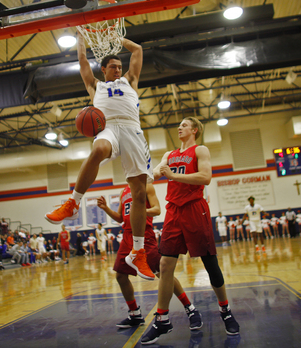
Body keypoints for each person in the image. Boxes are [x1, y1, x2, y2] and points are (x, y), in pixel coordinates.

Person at [45, 33, 154, 280]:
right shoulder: (96, 86)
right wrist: (81, 36)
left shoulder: (131, 80)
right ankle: (73, 203)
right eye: (112, 67)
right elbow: (82, 58)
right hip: (107, 127)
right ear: (103, 69)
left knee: (139, 193)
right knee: (98, 149)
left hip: (132, 129)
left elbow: (137, 49)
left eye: (119, 66)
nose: (117, 69)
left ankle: (138, 252)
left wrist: (117, 36)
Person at [141, 117, 239, 344]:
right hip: (173, 211)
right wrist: (137, 171)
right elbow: (152, 175)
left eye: (184, 125)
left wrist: (174, 176)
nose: (179, 127)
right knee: (165, 264)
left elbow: (206, 177)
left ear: (195, 130)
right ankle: (162, 319)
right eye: (179, 125)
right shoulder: (169, 155)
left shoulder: (200, 150)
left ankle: (225, 311)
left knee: (210, 264)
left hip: (195, 208)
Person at [97, 183, 201, 331]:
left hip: (144, 234)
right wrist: (106, 208)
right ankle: (135, 314)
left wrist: (140, 211)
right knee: (120, 276)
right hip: (127, 235)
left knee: (163, 273)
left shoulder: (146, 186)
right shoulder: (123, 191)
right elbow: (120, 218)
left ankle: (190, 308)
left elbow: (157, 209)